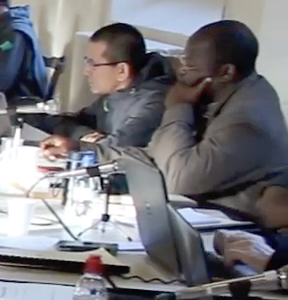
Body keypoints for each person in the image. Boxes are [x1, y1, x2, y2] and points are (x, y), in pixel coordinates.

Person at [144, 20, 288, 218]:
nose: (182, 73)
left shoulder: (248, 122)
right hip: (201, 210)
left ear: (226, 72)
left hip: (237, 223)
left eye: (191, 66)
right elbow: (156, 152)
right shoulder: (224, 94)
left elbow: (177, 180)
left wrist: (178, 107)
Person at [40, 23, 173, 157]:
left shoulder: (154, 103)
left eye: (93, 64)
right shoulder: (118, 92)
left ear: (121, 71)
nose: (86, 72)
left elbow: (114, 150)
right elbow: (69, 122)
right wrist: (85, 135)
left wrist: (79, 145)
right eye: (87, 62)